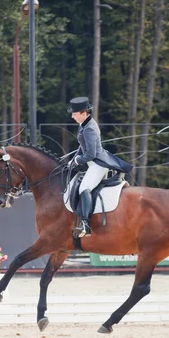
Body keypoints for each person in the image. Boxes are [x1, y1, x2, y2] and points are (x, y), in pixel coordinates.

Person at [67, 96, 133, 238]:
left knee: (84, 188)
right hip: (93, 162)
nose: (72, 116)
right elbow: (82, 145)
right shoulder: (84, 124)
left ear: (83, 113)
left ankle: (85, 223)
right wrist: (73, 158)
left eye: (74, 113)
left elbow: (90, 154)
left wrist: (78, 161)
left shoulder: (89, 128)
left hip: (98, 164)